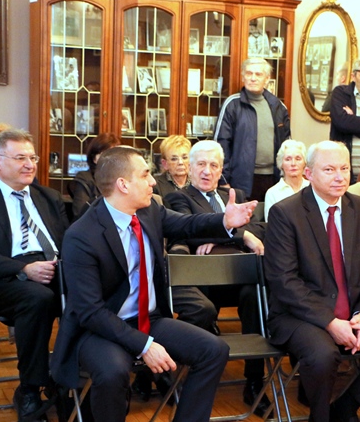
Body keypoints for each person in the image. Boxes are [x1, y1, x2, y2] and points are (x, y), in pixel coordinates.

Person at [51, 146, 257, 422]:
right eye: (145, 174)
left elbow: (188, 225)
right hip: (99, 329)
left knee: (214, 350)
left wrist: (225, 220)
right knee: (113, 372)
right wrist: (145, 345)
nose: (152, 181)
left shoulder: (150, 211)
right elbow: (90, 312)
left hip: (148, 319)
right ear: (123, 184)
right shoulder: (82, 235)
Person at [265, 140, 360, 422]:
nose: (339, 177)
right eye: (329, 170)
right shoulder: (285, 213)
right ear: (309, 173)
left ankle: (345, 408)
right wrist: (329, 321)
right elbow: (284, 282)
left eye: (344, 168)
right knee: (323, 356)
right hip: (300, 316)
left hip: (353, 310)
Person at [162, 140, 271, 415]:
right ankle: (197, 376)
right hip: (204, 282)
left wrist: (229, 236)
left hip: (239, 276)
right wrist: (239, 235)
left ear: (221, 170)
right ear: (190, 167)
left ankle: (254, 381)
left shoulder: (235, 194)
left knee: (256, 296)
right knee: (204, 305)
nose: (207, 171)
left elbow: (259, 228)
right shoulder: (179, 197)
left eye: (213, 165)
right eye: (200, 164)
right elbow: (186, 230)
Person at [0, 129, 68, 421]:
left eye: (33, 157)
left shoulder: (49, 196)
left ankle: (69, 378)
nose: (30, 164)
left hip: (55, 267)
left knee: (95, 290)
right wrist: (22, 269)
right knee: (38, 298)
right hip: (3, 277)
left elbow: (68, 240)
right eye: (20, 158)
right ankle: (30, 389)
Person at [214, 58, 291, 201]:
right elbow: (219, 145)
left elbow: (288, 146)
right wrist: (223, 181)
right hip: (240, 181)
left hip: (274, 180)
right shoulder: (232, 105)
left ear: (267, 79)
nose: (253, 78)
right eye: (249, 73)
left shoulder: (278, 106)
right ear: (243, 77)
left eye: (258, 74)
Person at [72, 132, 121, 219]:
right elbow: (80, 213)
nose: (109, 160)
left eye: (114, 155)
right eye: (104, 155)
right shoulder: (85, 178)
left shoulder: (125, 178)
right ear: (94, 158)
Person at [264, 139, 309, 221]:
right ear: (281, 164)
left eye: (298, 159)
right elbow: (272, 224)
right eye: (288, 159)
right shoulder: (272, 193)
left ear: (304, 163)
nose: (293, 163)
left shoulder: (313, 188)